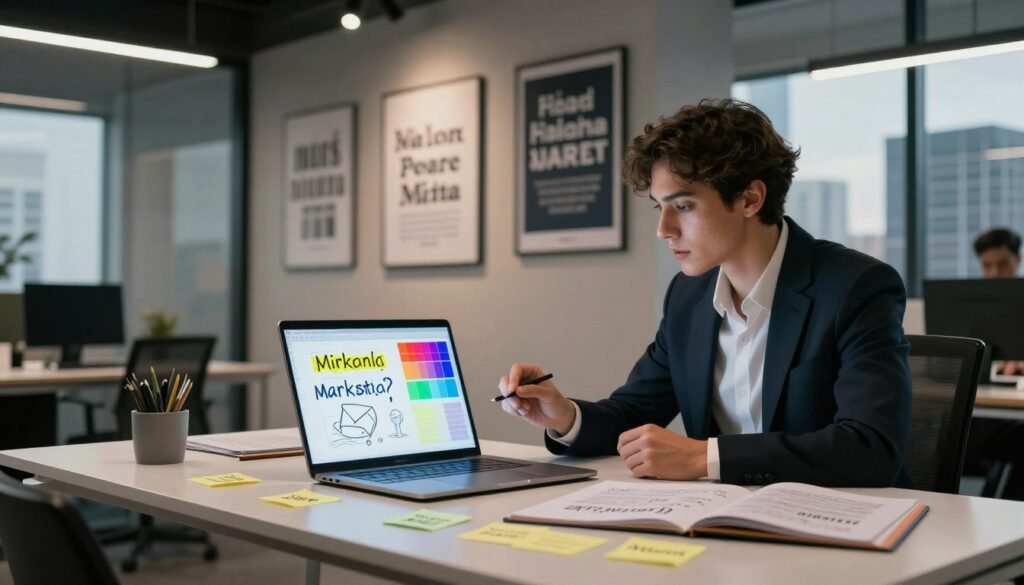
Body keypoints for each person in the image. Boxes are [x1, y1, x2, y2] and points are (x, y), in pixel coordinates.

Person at [498, 99, 911, 487]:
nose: (664, 230)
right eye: (660, 208)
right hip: (720, 525)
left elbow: (869, 447)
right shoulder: (689, 296)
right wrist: (563, 414)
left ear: (750, 198)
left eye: (684, 207)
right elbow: (633, 413)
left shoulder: (855, 286)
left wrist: (705, 458)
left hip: (833, 530)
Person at [964, 227, 1024, 501]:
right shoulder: (975, 306)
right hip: (988, 402)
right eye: (987, 266)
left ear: (1018, 260)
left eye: (1002, 264)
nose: (994, 273)